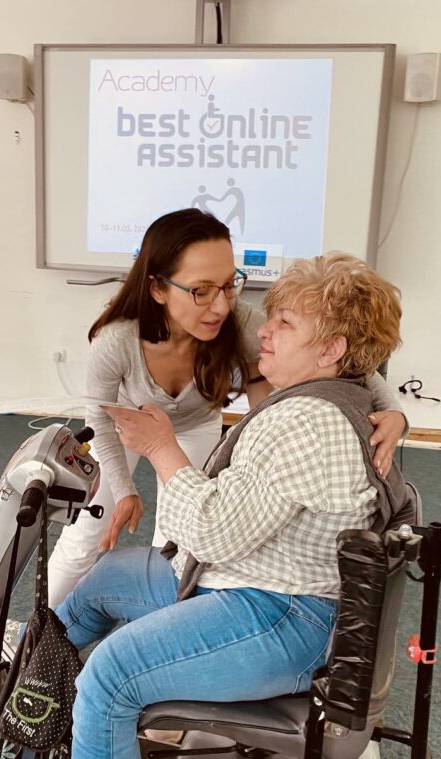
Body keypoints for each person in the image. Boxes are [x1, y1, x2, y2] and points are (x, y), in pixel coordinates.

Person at [53, 252, 404, 759]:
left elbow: (215, 534)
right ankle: (30, 715)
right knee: (102, 583)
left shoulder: (308, 421)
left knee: (109, 677)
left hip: (282, 613)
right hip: (254, 581)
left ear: (331, 349)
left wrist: (161, 448)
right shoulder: (328, 398)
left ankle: (88, 725)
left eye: (285, 323)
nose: (265, 331)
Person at [46, 210, 407, 606]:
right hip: (127, 428)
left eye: (229, 285)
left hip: (195, 427)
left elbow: (349, 359)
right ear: (158, 289)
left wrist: (395, 413)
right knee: (85, 534)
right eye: (201, 290)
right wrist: (124, 489)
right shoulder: (116, 341)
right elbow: (99, 417)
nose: (220, 306)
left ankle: (159, 632)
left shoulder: (237, 321)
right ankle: (35, 634)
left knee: (177, 542)